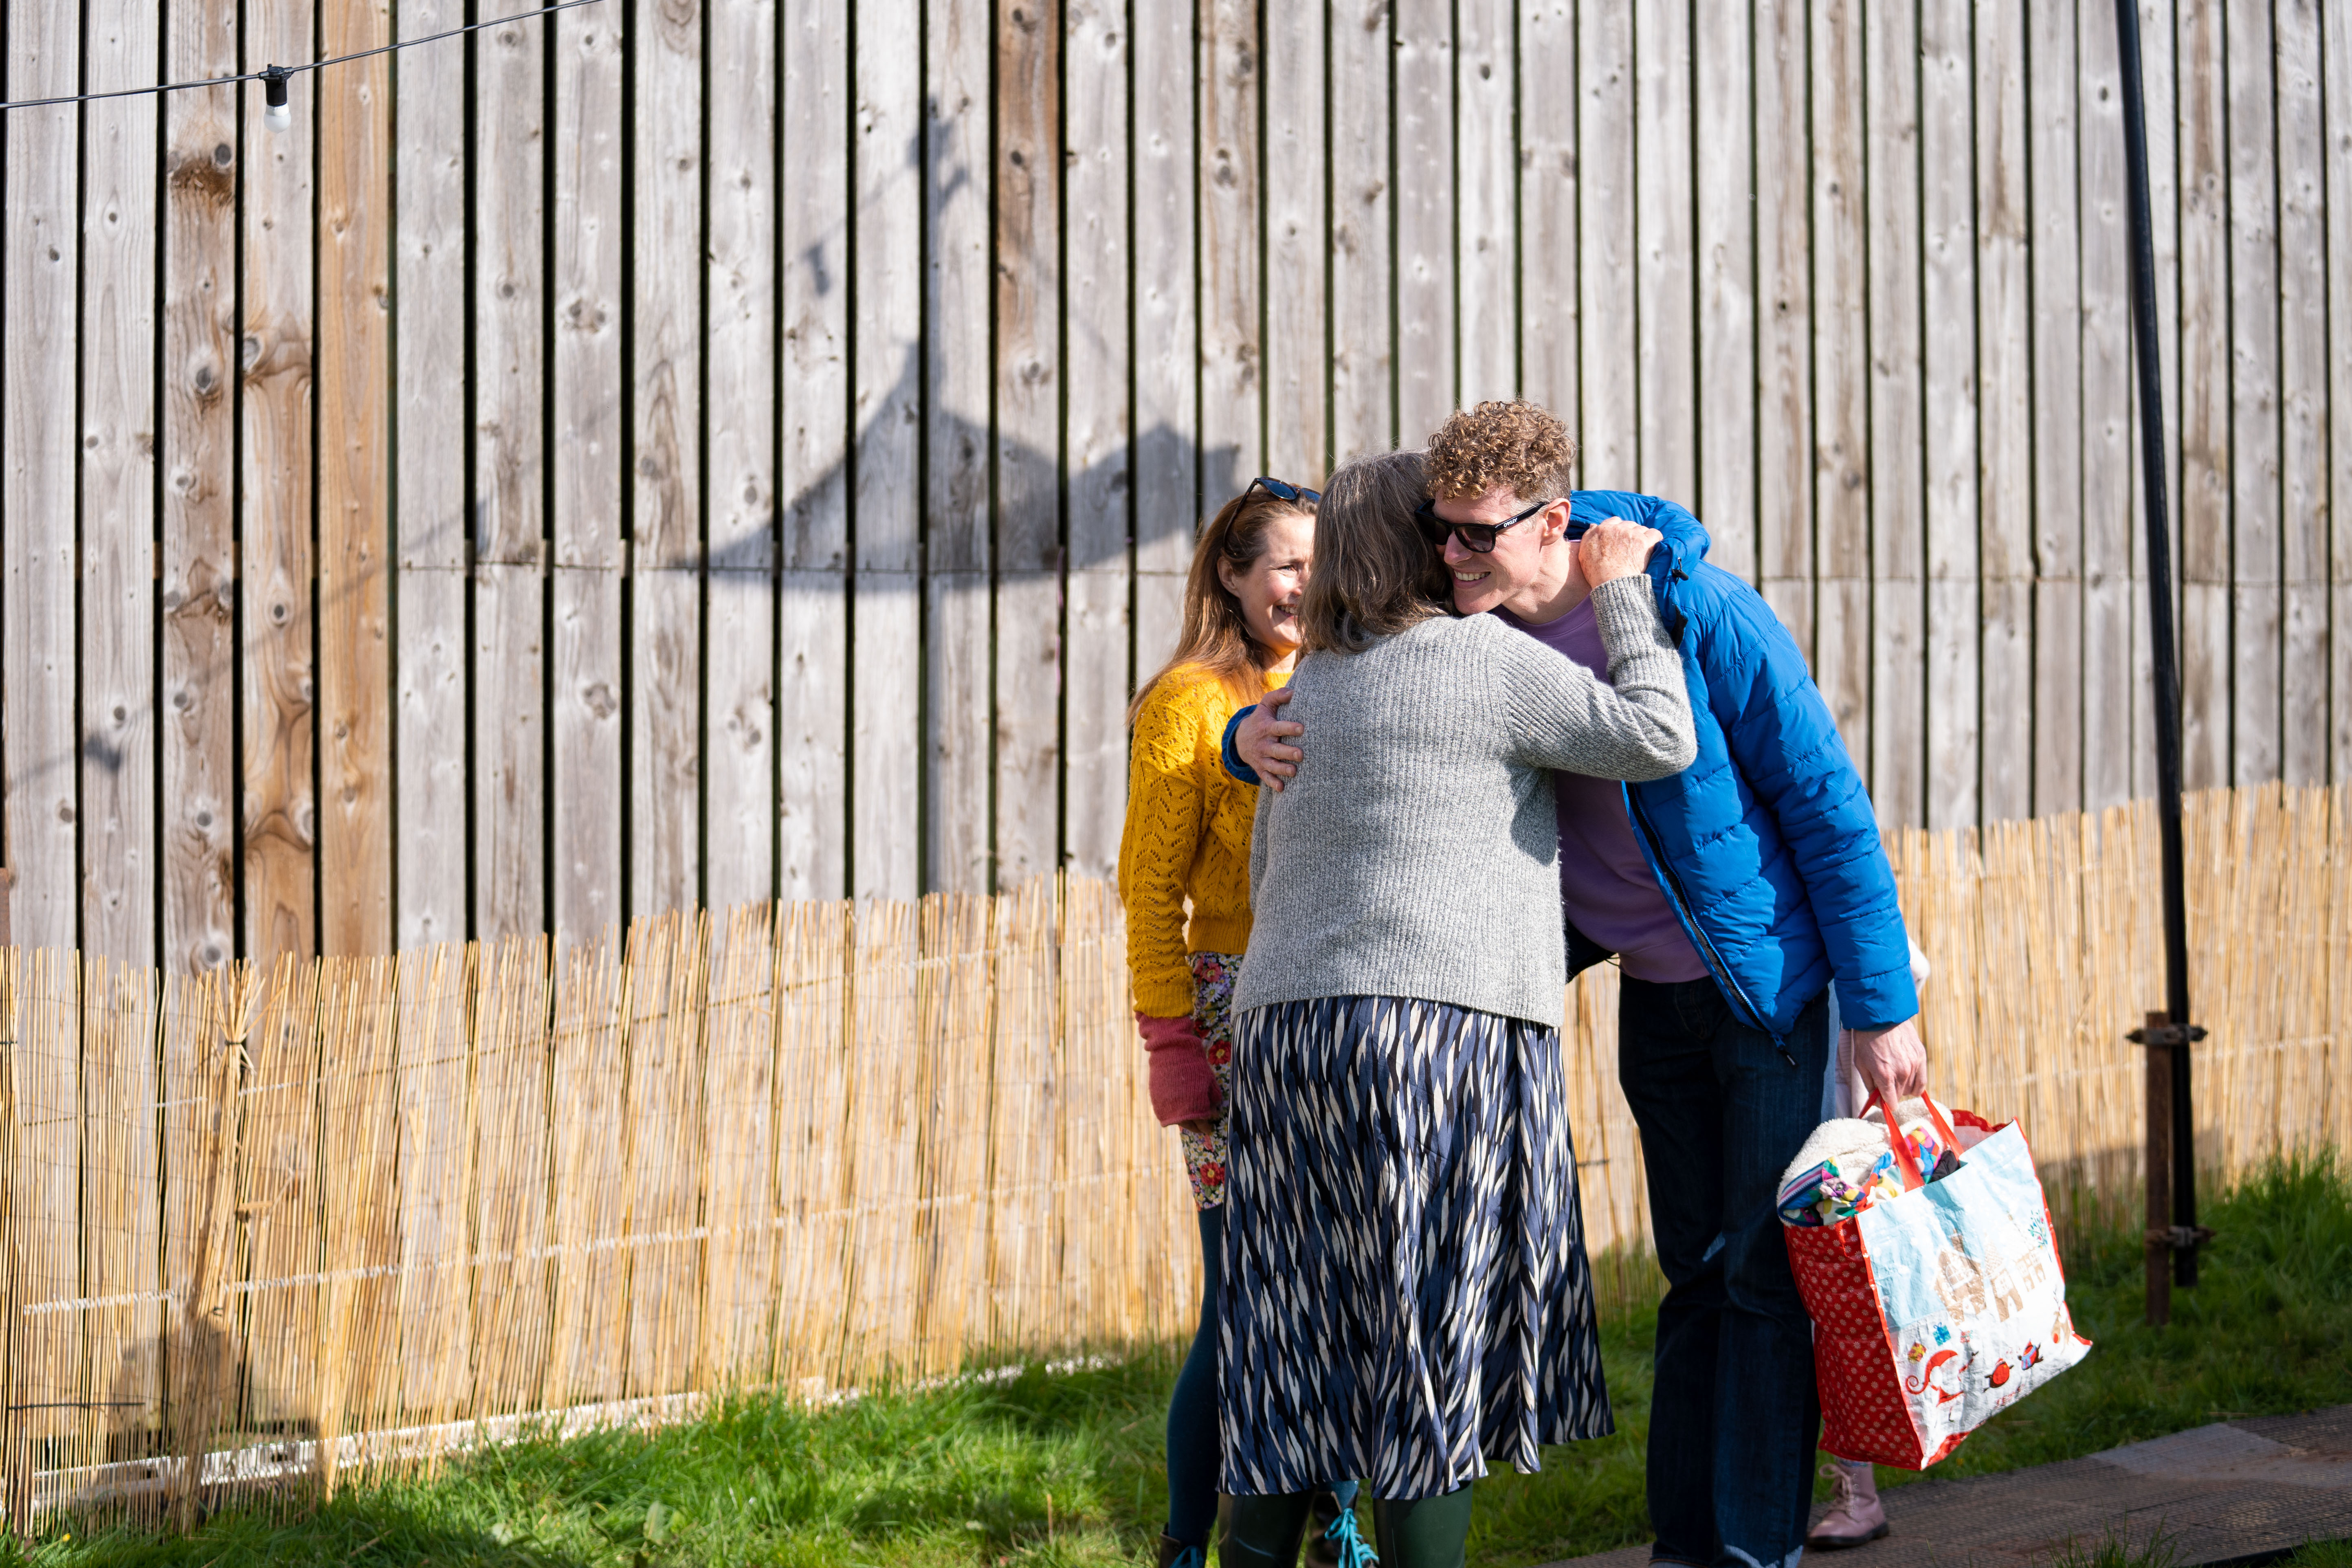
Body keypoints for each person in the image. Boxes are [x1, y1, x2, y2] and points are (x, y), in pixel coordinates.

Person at [1229, 402, 1930, 1568]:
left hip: (1761, 991)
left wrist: (1882, 1003)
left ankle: (1751, 1554)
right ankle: (1686, 1547)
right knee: (1695, 1279)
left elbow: (1823, 802)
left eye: (1474, 534)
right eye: (1438, 530)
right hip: (1654, 997)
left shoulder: (1689, 609)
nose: (1451, 553)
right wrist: (1239, 735)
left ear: (1551, 521)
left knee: (1761, 1283)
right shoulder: (1476, 636)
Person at [1214, 449, 1697, 1568]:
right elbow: (1657, 737)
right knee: (1427, 1337)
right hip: (1433, 1038)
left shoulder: (1310, 686)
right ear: (1419, 545)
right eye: (1445, 528)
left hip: (1284, 1034)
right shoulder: (1481, 660)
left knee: (1290, 1335)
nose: (1461, 544)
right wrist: (1624, 597)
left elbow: (1266, 872)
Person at [1117, 477, 1373, 1568]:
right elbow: (1148, 891)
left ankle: (1337, 1520)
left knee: (1346, 1286)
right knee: (1243, 1302)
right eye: (1285, 564)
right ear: (1231, 573)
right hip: (1230, 1009)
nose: (1304, 585)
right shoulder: (1186, 702)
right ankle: (1188, 1544)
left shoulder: (1346, 676)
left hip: (1336, 999)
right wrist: (1172, 1042)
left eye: (1321, 563)